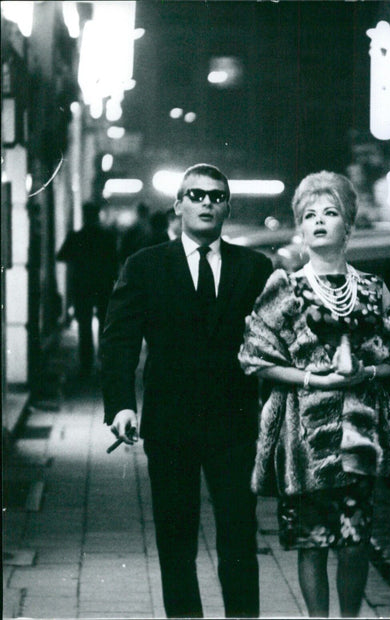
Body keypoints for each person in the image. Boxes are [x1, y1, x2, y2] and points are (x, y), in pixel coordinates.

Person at [238, 171, 390, 618]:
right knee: (312, 544)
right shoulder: (284, 288)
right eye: (309, 215)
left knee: (355, 544)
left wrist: (369, 372)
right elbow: (253, 358)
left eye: (330, 213)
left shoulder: (374, 291)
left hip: (360, 440)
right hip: (303, 442)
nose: (319, 222)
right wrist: (309, 381)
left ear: (348, 227)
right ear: (300, 228)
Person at [101, 164, 272, 618]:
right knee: (176, 546)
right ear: (178, 206)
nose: (206, 203)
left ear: (227, 207)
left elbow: (278, 344)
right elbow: (118, 339)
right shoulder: (145, 266)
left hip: (235, 428)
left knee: (238, 541)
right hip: (170, 425)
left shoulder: (255, 268)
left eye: (216, 196)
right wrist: (120, 405)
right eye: (195, 195)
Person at [56, 201, 118, 375]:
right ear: (98, 216)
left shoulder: (76, 237)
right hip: (103, 286)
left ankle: (86, 362)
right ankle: (104, 360)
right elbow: (114, 262)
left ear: (84, 216)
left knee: (84, 325)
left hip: (82, 286)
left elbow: (61, 255)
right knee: (105, 325)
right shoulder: (106, 237)